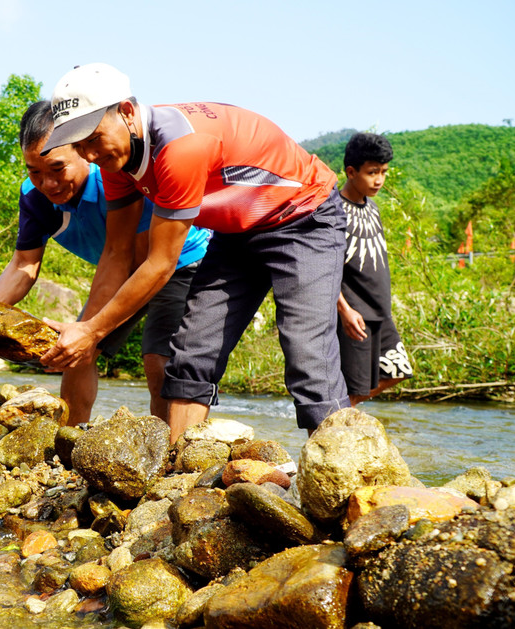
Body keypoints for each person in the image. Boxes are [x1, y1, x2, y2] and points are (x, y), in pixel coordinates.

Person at [38, 63, 350, 442]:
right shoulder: (115, 162)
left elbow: (160, 264)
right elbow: (117, 252)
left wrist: (91, 332)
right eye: (79, 144)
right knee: (191, 352)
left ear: (127, 112)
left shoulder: (179, 148)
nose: (88, 154)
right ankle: (179, 476)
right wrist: (86, 329)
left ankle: (343, 472)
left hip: (304, 217)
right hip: (236, 231)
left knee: (307, 355)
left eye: (93, 137)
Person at [0, 101, 210, 423]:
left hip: (179, 263)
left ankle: (169, 452)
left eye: (57, 169)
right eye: (34, 172)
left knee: (156, 358)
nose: (48, 184)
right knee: (74, 352)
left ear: (84, 150)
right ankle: (70, 435)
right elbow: (23, 265)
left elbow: (135, 260)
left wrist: (89, 334)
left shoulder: (116, 180)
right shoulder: (35, 198)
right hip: (119, 269)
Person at [336, 132, 413, 405]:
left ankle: (336, 414)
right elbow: (323, 268)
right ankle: (330, 432)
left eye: (383, 172)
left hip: (381, 312)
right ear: (351, 171)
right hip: (355, 315)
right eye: (372, 172)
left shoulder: (374, 207)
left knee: (398, 370)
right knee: (355, 387)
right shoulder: (333, 209)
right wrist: (344, 310)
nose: (379, 179)